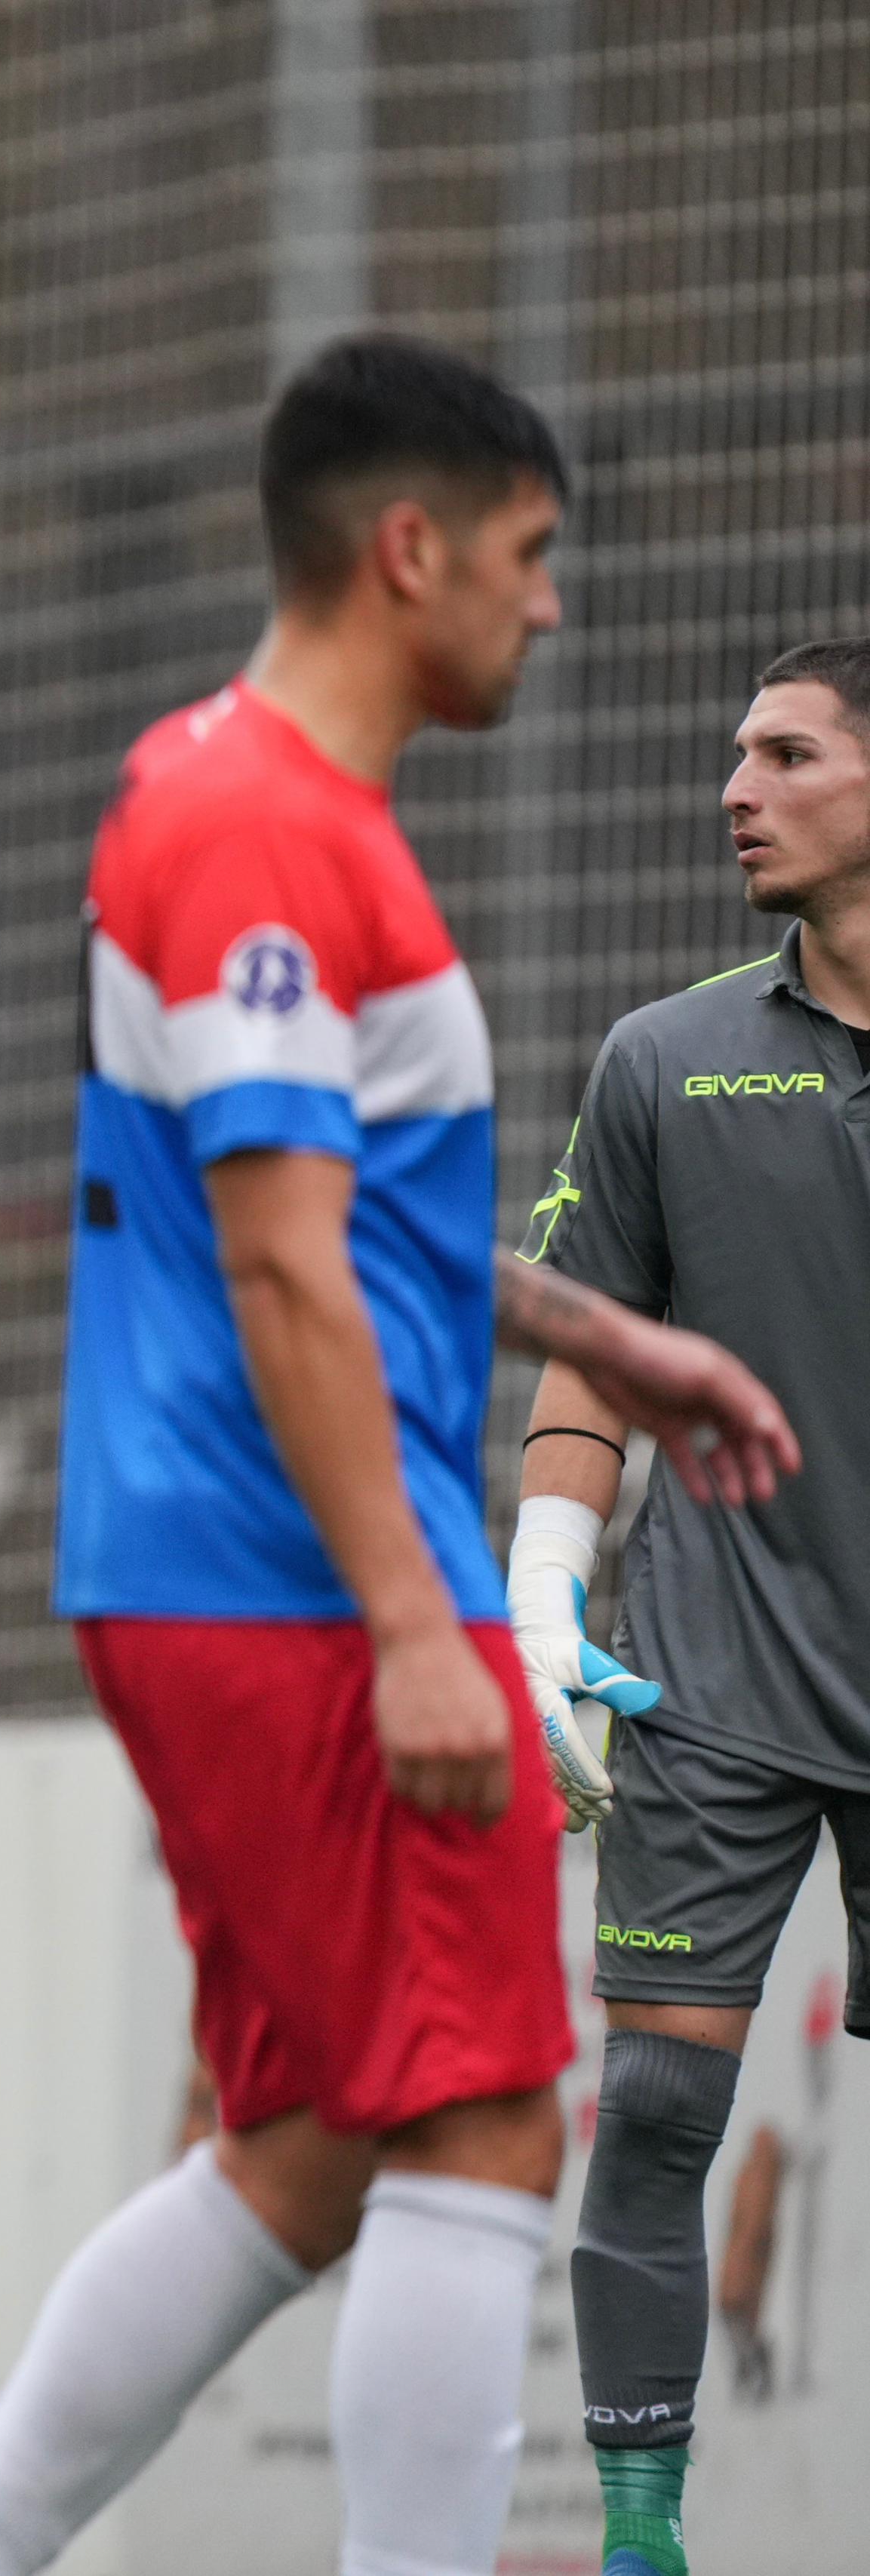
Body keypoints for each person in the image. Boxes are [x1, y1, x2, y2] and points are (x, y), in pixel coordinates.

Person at [0, 334, 800, 2576]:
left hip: (234, 1565)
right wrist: (414, 1624)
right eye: (524, 556)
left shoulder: (245, 798)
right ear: (402, 549)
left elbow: (345, 1221)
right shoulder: (250, 829)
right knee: (490, 2123)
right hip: (293, 1574)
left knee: (318, 2138)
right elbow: (280, 1270)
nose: (544, 606)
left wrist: (602, 1329)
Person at [512, 635, 870, 2576]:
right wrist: (546, 1589)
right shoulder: (658, 1058)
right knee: (653, 2100)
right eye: (734, 751)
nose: (735, 784)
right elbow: (584, 1364)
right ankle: (641, 2539)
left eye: (786, 750)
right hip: (714, 1680)